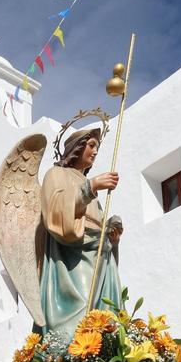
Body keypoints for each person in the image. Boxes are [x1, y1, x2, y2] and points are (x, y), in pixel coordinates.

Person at [39, 126, 124, 338]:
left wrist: (111, 235)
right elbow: (56, 211)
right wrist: (90, 187)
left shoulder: (85, 182)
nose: (95, 152)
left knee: (106, 316)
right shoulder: (56, 174)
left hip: (100, 255)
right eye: (91, 145)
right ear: (76, 148)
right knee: (82, 315)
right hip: (73, 256)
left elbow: (95, 222)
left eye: (97, 148)